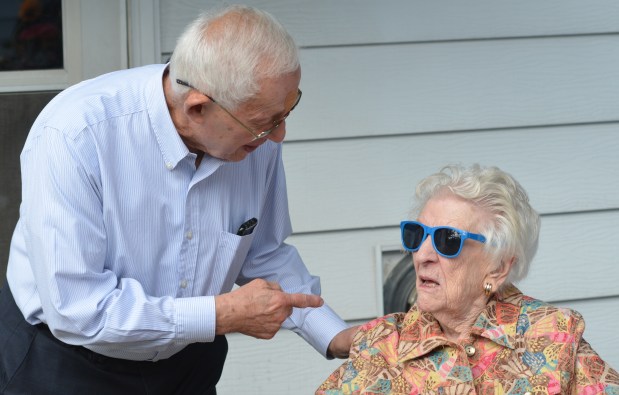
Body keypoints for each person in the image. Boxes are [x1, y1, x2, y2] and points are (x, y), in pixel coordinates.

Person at [0, 5, 356, 394]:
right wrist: (220, 315)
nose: (279, 135)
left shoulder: (255, 137)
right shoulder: (75, 134)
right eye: (265, 123)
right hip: (65, 361)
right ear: (198, 107)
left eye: (287, 111)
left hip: (188, 364)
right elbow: (79, 310)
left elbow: (265, 254)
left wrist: (336, 335)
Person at [317, 164, 619, 394]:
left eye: (447, 240)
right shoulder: (380, 347)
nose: (422, 254)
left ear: (498, 267)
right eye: (417, 234)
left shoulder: (554, 334)